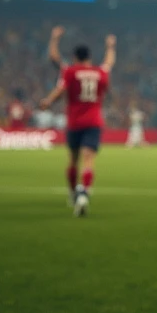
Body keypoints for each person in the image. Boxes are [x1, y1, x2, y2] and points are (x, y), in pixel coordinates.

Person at [40, 28, 116, 217]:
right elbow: (109, 62)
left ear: (74, 57)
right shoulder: (99, 72)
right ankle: (84, 193)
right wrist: (110, 46)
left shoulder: (70, 71)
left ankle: (74, 194)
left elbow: (54, 60)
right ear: (89, 57)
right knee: (88, 160)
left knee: (73, 160)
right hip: (93, 122)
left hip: (74, 123)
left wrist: (54, 38)